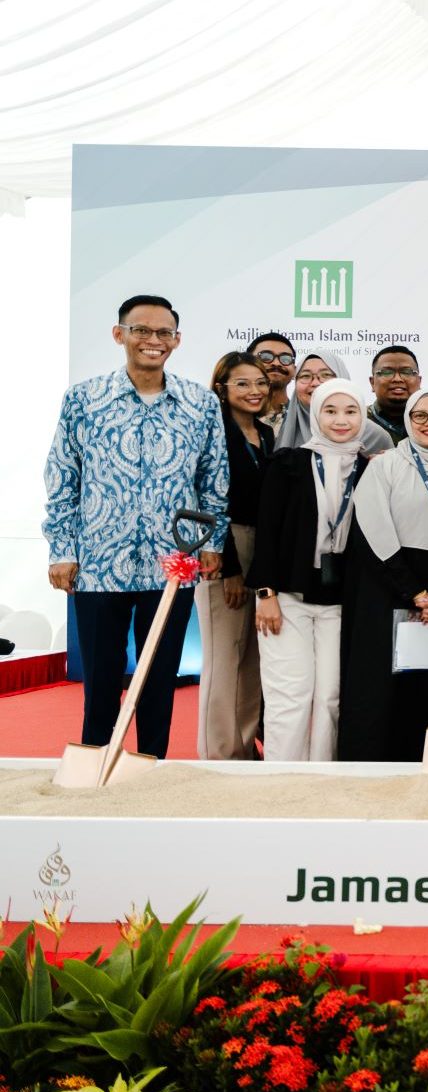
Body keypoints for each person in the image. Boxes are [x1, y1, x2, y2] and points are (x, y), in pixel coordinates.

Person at [46, 295, 227, 760]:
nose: (153, 340)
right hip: (98, 561)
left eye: (163, 332)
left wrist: (213, 544)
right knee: (102, 676)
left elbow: (215, 479)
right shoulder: (84, 398)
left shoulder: (200, 403)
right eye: (141, 330)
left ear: (177, 340)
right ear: (119, 334)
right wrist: (62, 549)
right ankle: (95, 764)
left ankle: (151, 769)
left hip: (173, 563)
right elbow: (63, 476)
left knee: (159, 676)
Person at [336, 389, 428, 762]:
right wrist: (415, 592)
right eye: (420, 415)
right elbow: (373, 531)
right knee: (379, 694)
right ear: (408, 420)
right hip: (387, 592)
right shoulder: (385, 466)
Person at [253, 379, 369, 761]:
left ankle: (323, 780)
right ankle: (281, 783)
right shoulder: (288, 463)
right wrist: (265, 593)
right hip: (288, 596)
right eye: (330, 411)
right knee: (290, 694)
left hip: (343, 601)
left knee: (331, 697)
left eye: (351, 411)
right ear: (315, 414)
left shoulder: (372, 468)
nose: (341, 420)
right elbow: (266, 532)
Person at [196, 351, 275, 760]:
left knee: (252, 660)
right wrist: (228, 568)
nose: (254, 390)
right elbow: (208, 503)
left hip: (261, 550)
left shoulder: (267, 434)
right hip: (224, 549)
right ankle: (219, 754)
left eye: (260, 382)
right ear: (222, 388)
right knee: (224, 658)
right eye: (242, 383)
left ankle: (244, 749)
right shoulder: (213, 433)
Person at [280, 351, 394, 457]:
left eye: (325, 375)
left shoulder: (375, 437)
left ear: (342, 378)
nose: (315, 383)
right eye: (305, 376)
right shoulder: (278, 428)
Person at [366, 345, 422, 443]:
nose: (397, 379)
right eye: (387, 372)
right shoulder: (358, 420)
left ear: (419, 381)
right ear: (372, 382)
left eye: (407, 372)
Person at [247, 332, 297, 433]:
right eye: (266, 357)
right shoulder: (230, 416)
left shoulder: (305, 418)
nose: (276, 363)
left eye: (286, 359)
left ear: (295, 371)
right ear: (246, 365)